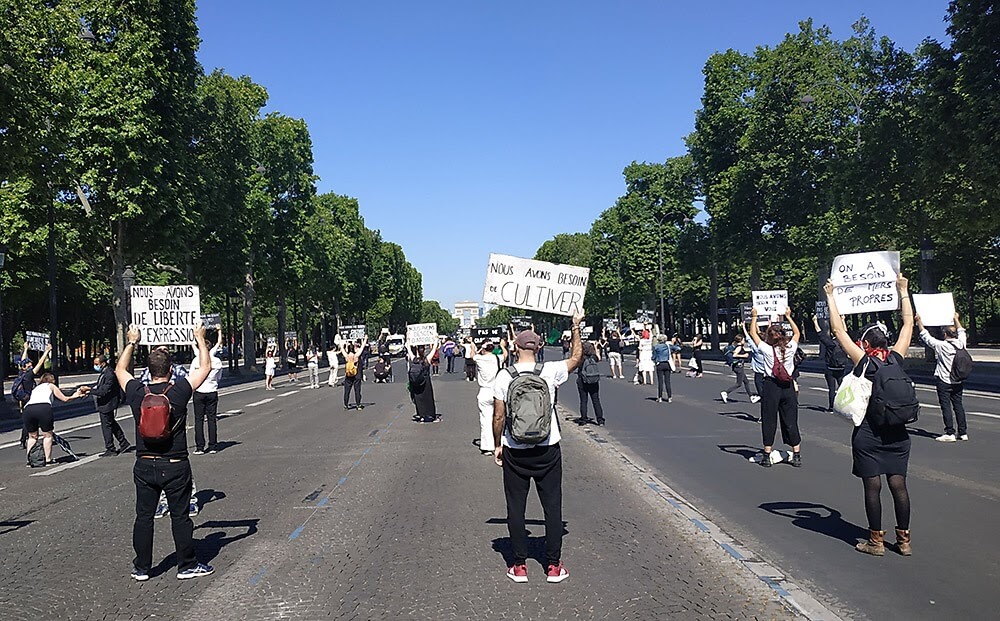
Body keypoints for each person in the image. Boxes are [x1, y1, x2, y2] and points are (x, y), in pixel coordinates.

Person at [116, 323, 216, 581]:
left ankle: (141, 567)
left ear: (148, 371)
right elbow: (205, 368)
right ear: (171, 370)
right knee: (180, 516)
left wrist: (131, 342)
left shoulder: (138, 392)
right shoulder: (180, 389)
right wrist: (200, 338)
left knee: (144, 517)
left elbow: (119, 369)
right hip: (175, 462)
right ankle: (186, 564)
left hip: (144, 463)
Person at [824, 275, 914, 556]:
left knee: (872, 486)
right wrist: (903, 291)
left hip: (869, 433)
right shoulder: (896, 358)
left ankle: (875, 541)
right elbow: (908, 323)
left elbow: (838, 330)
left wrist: (831, 295)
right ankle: (904, 540)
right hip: (898, 433)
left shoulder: (864, 362)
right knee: (898, 484)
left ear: (864, 343)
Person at [492, 311, 584, 584]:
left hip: (515, 448)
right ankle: (553, 565)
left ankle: (519, 565)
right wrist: (575, 327)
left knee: (515, 507)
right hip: (548, 447)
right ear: (540, 347)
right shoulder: (551, 371)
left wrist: (498, 444)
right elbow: (577, 358)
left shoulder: (503, 376)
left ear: (514, 347)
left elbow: (499, 416)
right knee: (552, 507)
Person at [748, 308, 802, 468]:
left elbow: (753, 334)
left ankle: (767, 454)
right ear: (784, 336)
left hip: (771, 386)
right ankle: (797, 454)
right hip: (788, 386)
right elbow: (797, 333)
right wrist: (788, 317)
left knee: (769, 419)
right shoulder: (791, 347)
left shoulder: (766, 349)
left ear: (769, 337)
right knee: (791, 420)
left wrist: (754, 317)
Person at [917, 313, 970, 442]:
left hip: (944, 381)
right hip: (958, 380)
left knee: (946, 406)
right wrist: (956, 319)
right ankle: (963, 432)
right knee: (958, 405)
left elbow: (926, 336)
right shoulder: (961, 343)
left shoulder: (942, 346)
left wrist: (919, 321)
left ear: (945, 334)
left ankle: (950, 432)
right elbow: (962, 331)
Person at [23, 368, 89, 466]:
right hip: (43, 408)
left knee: (32, 436)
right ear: (52, 380)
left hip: (28, 409)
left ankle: (30, 460)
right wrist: (76, 395)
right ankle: (48, 459)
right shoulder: (51, 386)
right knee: (47, 435)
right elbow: (64, 399)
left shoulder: (36, 388)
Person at [191, 330, 224, 455]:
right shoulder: (216, 361)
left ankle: (200, 447)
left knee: (198, 420)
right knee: (211, 419)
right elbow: (219, 377)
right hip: (211, 391)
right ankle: (213, 445)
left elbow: (192, 376)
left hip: (199, 391)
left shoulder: (196, 360)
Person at [91, 354, 130, 457]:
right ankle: (123, 442)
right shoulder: (105, 372)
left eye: (97, 364)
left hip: (107, 403)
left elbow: (104, 391)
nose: (95, 366)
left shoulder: (109, 374)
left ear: (103, 363)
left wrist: (90, 391)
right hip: (106, 403)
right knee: (111, 423)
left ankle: (110, 448)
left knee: (106, 426)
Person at [474, 338, 508, 454]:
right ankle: (500, 443)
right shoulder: (498, 359)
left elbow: (474, 354)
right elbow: (505, 355)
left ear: (483, 349)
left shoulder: (479, 359)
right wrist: (503, 346)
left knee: (485, 419)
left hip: (484, 391)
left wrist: (478, 347)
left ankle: (487, 446)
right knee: (499, 418)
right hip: (496, 390)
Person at [13, 342, 47, 449]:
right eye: (29, 365)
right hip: (30, 401)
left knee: (27, 420)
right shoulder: (28, 375)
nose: (31, 365)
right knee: (30, 421)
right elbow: (40, 364)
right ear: (25, 367)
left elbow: (23, 361)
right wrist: (47, 351)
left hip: (23, 401)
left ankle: (25, 439)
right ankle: (25, 439)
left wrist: (25, 349)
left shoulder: (21, 373)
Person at [813, 314, 849, 412]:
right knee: (842, 388)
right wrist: (842, 320)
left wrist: (815, 321)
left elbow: (820, 334)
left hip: (830, 369)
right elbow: (845, 333)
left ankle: (832, 407)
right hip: (841, 368)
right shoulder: (843, 343)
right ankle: (843, 406)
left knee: (832, 389)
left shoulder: (830, 344)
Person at [721, 334, 758, 404]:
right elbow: (735, 355)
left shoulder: (734, 345)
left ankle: (751, 397)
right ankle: (725, 392)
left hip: (737, 366)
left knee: (746, 381)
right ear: (740, 341)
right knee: (739, 383)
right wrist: (744, 355)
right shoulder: (739, 347)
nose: (744, 341)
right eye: (743, 340)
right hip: (739, 367)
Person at [408, 340, 439, 423]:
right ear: (424, 350)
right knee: (428, 399)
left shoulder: (413, 359)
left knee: (419, 399)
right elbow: (434, 349)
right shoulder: (426, 360)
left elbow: (408, 349)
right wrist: (435, 340)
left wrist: (408, 338)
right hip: (425, 382)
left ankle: (421, 415)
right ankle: (430, 415)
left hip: (416, 382)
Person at [576, 341, 605, 425]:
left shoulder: (581, 358)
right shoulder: (593, 357)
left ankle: (583, 418)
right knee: (596, 400)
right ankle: (600, 420)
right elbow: (599, 358)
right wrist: (596, 348)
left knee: (583, 400)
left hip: (583, 380)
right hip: (593, 380)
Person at [340, 337, 367, 410]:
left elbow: (342, 349)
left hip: (348, 375)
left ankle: (346, 405)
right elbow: (362, 347)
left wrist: (340, 341)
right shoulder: (356, 356)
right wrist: (365, 339)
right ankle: (358, 405)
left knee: (347, 391)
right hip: (356, 375)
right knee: (357, 390)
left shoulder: (346, 356)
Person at [652, 334, 673, 403]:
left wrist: (653, 359)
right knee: (667, 381)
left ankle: (660, 397)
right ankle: (669, 397)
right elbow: (678, 348)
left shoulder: (656, 347)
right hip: (667, 364)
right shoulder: (667, 346)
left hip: (660, 364)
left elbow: (654, 357)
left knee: (660, 381)